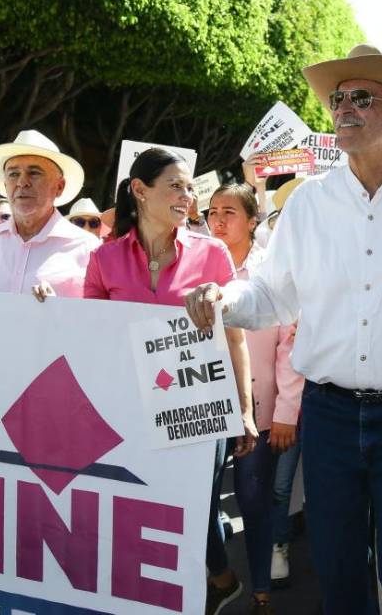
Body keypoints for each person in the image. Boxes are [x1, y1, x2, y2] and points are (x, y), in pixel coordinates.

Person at [185, 44, 382, 615]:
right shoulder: (307, 203)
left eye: (361, 97)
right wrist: (225, 297)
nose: (344, 109)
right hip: (329, 415)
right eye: (338, 99)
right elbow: (272, 295)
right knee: (338, 578)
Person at [83, 147, 259, 615]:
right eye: (176, 186)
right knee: (141, 502)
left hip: (200, 406)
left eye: (189, 188)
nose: (188, 197)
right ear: (140, 191)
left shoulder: (212, 253)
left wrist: (244, 410)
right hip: (129, 409)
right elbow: (88, 337)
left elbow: (235, 338)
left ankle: (210, 584)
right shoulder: (103, 259)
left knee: (194, 505)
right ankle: (191, 586)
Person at [207, 181, 303, 614]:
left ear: (252, 221)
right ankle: (219, 577)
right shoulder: (196, 265)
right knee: (203, 506)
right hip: (204, 409)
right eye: (212, 212)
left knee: (254, 501)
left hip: (261, 412)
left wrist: (285, 412)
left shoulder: (272, 273)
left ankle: (261, 593)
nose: (218, 221)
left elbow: (289, 348)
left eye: (229, 212)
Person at [0, 130, 97, 297]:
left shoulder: (88, 248)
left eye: (34, 173)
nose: (22, 182)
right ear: (5, 186)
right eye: (13, 174)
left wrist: (60, 307)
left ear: (59, 187)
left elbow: (99, 311)